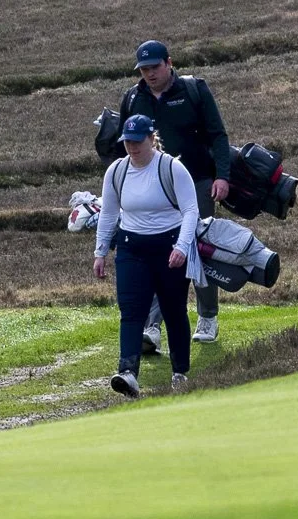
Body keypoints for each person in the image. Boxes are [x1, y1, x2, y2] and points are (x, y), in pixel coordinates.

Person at [115, 40, 232, 347]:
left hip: (197, 181)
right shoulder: (132, 98)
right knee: (156, 250)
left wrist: (222, 177)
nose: (149, 74)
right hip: (156, 189)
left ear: (169, 63)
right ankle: (152, 326)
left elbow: (218, 135)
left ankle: (208, 316)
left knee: (199, 246)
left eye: (154, 67)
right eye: (144, 69)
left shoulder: (194, 90)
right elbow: (125, 144)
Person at [92, 114, 201, 398]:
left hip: (169, 247)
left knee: (174, 309)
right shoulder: (116, 171)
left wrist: (182, 247)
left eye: (138, 141)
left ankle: (180, 372)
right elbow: (109, 213)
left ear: (152, 139)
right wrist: (100, 252)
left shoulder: (172, 168)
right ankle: (128, 373)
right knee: (131, 311)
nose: (132, 147)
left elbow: (191, 210)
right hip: (131, 247)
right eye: (127, 141)